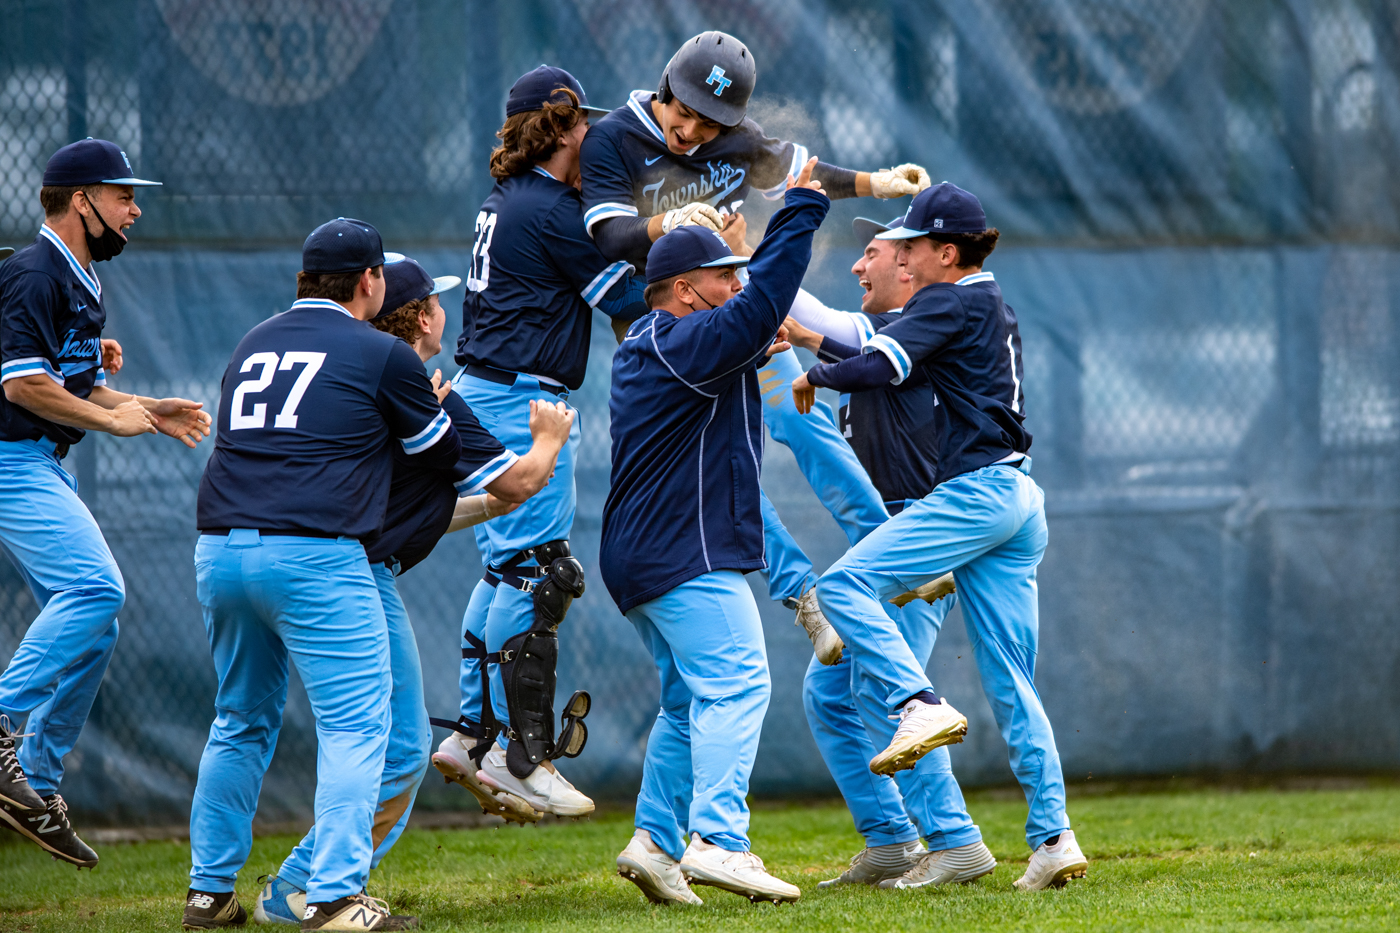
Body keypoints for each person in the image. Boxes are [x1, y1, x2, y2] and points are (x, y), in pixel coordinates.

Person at [252, 256, 574, 925]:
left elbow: (422, 510)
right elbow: (519, 482)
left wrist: (490, 498)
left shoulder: (350, 376)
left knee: (263, 724)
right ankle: (318, 891)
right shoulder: (418, 384)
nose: (443, 312)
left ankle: (281, 886)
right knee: (387, 743)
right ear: (424, 316)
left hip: (279, 557)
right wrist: (547, 443)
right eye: (436, 303)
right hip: (350, 576)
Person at [579, 30, 922, 652]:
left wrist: (878, 182)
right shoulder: (614, 138)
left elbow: (805, 176)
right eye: (683, 111)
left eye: (707, 123)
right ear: (665, 89)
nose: (689, 131)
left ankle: (893, 553)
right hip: (671, 342)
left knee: (804, 421)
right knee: (725, 469)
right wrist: (668, 222)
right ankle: (805, 596)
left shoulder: (735, 140)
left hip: (737, 313)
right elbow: (610, 237)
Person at [792, 183, 1089, 891]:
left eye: (915, 243)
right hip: (1019, 497)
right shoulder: (990, 302)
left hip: (976, 494)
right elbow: (897, 356)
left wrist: (819, 374)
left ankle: (918, 704)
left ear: (944, 253)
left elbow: (881, 363)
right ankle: (1054, 836)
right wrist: (812, 337)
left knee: (841, 586)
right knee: (1013, 680)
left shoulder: (947, 299)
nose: (907, 253)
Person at [181, 219, 461, 932]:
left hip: (220, 549)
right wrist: (427, 400)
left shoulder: (252, 342)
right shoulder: (380, 352)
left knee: (239, 720)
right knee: (356, 728)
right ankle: (332, 897)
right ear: (370, 281)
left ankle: (208, 892)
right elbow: (439, 452)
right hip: (315, 555)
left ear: (306, 277)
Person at [604, 159, 828, 907]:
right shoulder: (676, 339)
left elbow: (743, 328)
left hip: (646, 556)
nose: (733, 285)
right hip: (682, 551)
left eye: (736, 274)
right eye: (721, 276)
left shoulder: (663, 347)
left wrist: (745, 337)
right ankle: (720, 839)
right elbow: (761, 305)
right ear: (679, 289)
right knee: (738, 682)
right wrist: (801, 203)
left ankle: (656, 842)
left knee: (686, 702)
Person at [435, 65, 646, 822]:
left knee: (504, 569)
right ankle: (521, 755)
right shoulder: (555, 209)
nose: (593, 133)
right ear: (556, 128)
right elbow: (625, 294)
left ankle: (474, 732)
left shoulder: (514, 199)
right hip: (522, 398)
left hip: (488, 387)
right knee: (539, 570)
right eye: (581, 120)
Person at [0, 138, 210, 869]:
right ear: (81, 199)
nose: (134, 207)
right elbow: (22, 385)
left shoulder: (76, 275)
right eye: (122, 195)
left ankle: (35, 785)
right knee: (96, 587)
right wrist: (112, 419)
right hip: (10, 459)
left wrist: (146, 407)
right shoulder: (35, 271)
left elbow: (70, 382)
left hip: (37, 461)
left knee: (96, 625)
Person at [778, 215, 995, 890]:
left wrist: (742, 253)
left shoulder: (905, 332)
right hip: (889, 539)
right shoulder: (886, 333)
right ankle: (894, 839)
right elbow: (813, 325)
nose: (856, 265)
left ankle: (956, 840)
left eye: (871, 254)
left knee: (890, 696)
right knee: (831, 695)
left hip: (916, 537)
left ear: (911, 270)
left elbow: (802, 309)